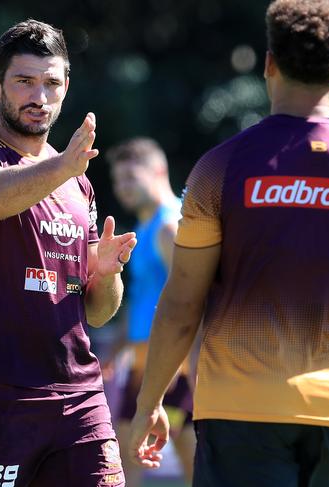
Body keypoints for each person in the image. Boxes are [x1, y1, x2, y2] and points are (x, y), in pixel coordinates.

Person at [129, 1, 329, 486]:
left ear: (269, 64)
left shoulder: (220, 167)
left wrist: (148, 404)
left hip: (239, 412)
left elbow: (181, 304)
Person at [0, 19, 137, 487]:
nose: (39, 97)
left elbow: (100, 312)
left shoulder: (79, 185)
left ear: (66, 87)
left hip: (79, 393)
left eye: (51, 84)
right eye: (24, 82)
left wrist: (106, 275)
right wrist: (63, 165)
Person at [107, 137, 194, 486]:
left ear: (158, 171)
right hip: (145, 362)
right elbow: (142, 297)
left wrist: (180, 360)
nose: (122, 187)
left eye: (130, 177)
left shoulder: (170, 227)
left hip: (173, 365)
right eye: (118, 180)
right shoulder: (142, 230)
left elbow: (192, 300)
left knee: (194, 463)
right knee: (126, 455)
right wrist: (116, 347)